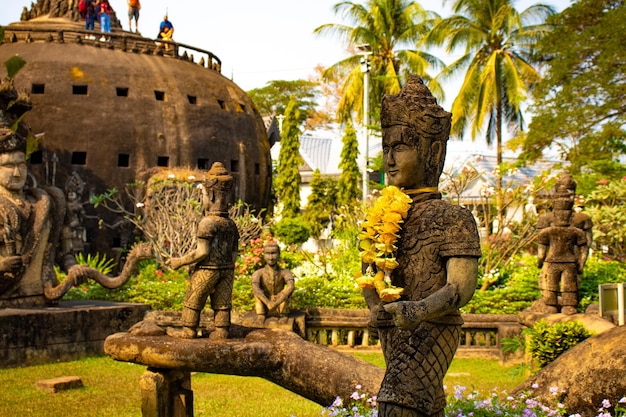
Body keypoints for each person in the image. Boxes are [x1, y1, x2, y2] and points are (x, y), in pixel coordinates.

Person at [362, 75, 482, 417]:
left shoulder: (453, 218)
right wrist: (374, 306)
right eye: (386, 148)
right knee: (424, 404)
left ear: (433, 151)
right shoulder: (382, 214)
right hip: (394, 326)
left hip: (435, 325)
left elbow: (460, 287)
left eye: (400, 147)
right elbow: (369, 270)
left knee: (397, 402)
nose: (389, 159)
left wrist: (419, 310)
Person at [166, 162, 239, 340]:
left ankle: (189, 330)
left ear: (212, 195)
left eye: (204, 195)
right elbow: (235, 253)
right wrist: (226, 267)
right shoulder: (231, 224)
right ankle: (221, 329)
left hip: (208, 269)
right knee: (222, 303)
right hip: (227, 270)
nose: (203, 199)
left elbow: (202, 253)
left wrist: (179, 261)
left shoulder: (207, 223)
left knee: (194, 299)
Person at [251, 241, 295, 324]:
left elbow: (291, 286)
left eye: (273, 253)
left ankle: (283, 315)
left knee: (287, 292)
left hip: (280, 302)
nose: (271, 257)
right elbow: (255, 288)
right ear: (264, 255)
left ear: (279, 254)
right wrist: (268, 303)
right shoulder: (258, 273)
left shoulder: (285, 272)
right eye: (268, 253)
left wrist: (277, 302)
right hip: (264, 304)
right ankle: (261, 315)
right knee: (257, 292)